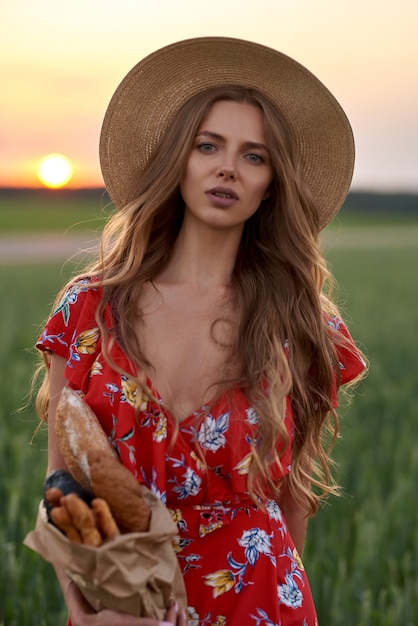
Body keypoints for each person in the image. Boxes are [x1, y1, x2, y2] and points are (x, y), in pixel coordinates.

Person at [34, 37, 366, 626]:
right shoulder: (88, 309)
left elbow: (292, 508)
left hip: (259, 598)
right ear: (177, 161)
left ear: (271, 183)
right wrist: (85, 613)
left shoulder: (305, 325)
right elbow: (64, 488)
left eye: (254, 156)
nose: (227, 168)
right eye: (207, 145)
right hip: (126, 605)